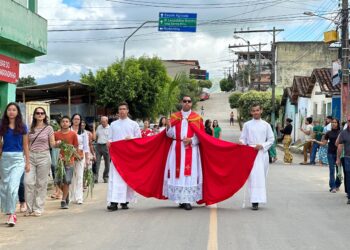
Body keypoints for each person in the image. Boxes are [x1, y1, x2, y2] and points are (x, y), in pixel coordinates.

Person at [163, 95, 203, 210]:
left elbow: (201, 136)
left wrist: (191, 140)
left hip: (191, 149)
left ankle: (187, 200)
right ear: (181, 102)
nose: (186, 103)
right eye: (184, 101)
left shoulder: (197, 118)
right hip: (177, 148)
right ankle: (180, 199)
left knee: (189, 174)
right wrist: (169, 127)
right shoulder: (174, 117)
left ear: (191, 103)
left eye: (189, 101)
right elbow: (169, 135)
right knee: (178, 173)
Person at [106, 102, 141, 211]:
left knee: (126, 179)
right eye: (120, 109)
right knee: (115, 179)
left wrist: (131, 139)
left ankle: (125, 201)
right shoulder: (113, 124)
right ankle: (114, 202)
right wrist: (109, 142)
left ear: (127, 111)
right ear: (118, 111)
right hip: (116, 156)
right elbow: (110, 138)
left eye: (124, 109)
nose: (122, 111)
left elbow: (139, 139)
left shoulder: (134, 124)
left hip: (128, 156)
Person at [239, 104, 274, 210]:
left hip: (262, 154)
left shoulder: (266, 125)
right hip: (251, 153)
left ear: (261, 111)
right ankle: (254, 201)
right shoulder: (247, 125)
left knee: (261, 177)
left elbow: (271, 139)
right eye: (253, 111)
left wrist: (262, 145)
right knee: (252, 177)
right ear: (251, 112)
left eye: (257, 110)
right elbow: (243, 138)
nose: (256, 112)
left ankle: (259, 198)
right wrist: (241, 143)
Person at [0, 102, 30, 226]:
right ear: (6, 112)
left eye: (14, 110)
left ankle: (13, 214)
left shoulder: (23, 126)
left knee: (13, 186)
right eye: (9, 110)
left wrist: (27, 162)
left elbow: (25, 145)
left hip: (18, 159)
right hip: (5, 158)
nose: (11, 112)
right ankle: (8, 211)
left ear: (17, 112)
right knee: (5, 187)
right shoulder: (2, 125)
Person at [25, 107, 56, 217]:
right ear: (34, 115)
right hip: (31, 155)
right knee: (28, 182)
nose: (40, 115)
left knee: (41, 183)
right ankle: (29, 208)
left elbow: (52, 143)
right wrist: (26, 158)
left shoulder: (49, 128)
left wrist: (58, 143)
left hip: (44, 155)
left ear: (45, 115)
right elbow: (27, 144)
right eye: (37, 113)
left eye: (42, 113)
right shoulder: (29, 128)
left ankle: (38, 208)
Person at [54, 116, 79, 209]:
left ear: (69, 123)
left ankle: (63, 200)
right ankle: (66, 193)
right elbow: (52, 145)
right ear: (60, 123)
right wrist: (57, 144)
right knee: (57, 181)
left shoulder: (73, 134)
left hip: (69, 161)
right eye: (63, 121)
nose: (65, 123)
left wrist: (71, 154)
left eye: (67, 121)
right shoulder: (56, 134)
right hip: (59, 161)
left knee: (67, 181)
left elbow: (75, 147)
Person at [314, 118, 341, 193]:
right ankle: (333, 187)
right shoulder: (328, 133)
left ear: (338, 124)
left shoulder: (341, 133)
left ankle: (337, 184)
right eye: (332, 122)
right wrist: (316, 141)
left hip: (339, 154)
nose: (333, 123)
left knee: (339, 171)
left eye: (335, 122)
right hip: (330, 153)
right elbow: (324, 143)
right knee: (332, 170)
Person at [70, 114, 89, 204]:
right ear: (72, 120)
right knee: (71, 177)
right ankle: (71, 196)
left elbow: (86, 146)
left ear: (80, 120)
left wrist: (87, 158)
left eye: (78, 119)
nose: (76, 120)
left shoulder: (83, 133)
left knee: (80, 176)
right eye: (75, 119)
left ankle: (79, 197)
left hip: (80, 156)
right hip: (69, 155)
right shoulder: (68, 131)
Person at [336, 115, 350, 205]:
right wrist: (338, 158)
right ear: (348, 122)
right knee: (348, 176)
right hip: (347, 158)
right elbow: (340, 146)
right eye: (349, 121)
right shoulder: (343, 133)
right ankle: (349, 195)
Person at [94, 116, 110, 183]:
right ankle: (95, 178)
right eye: (101, 121)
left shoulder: (110, 128)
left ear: (107, 121)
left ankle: (105, 177)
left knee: (107, 164)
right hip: (98, 146)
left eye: (104, 121)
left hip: (106, 147)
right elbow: (96, 136)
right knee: (97, 162)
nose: (102, 123)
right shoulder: (99, 127)